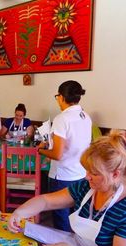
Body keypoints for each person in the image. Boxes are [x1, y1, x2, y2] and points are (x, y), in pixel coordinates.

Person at [8, 132, 126, 246]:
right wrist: (19, 213)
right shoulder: (88, 187)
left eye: (94, 173)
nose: (87, 177)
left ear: (115, 175)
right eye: (86, 170)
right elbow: (46, 201)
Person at [37, 80, 92, 232]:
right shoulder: (86, 117)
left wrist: (41, 150)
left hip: (62, 177)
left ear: (61, 97)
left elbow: (57, 154)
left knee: (61, 220)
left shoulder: (62, 119)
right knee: (76, 218)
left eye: (57, 97)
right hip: (81, 175)